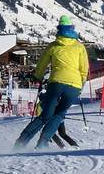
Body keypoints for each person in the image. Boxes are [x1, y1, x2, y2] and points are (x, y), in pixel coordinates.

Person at [15, 15, 89, 149]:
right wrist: (81, 84)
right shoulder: (80, 47)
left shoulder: (53, 46)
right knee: (59, 114)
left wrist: (37, 77)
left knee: (45, 116)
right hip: (74, 86)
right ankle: (42, 143)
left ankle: (21, 142)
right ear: (72, 29)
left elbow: (41, 65)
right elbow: (84, 69)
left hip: (56, 83)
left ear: (59, 29)